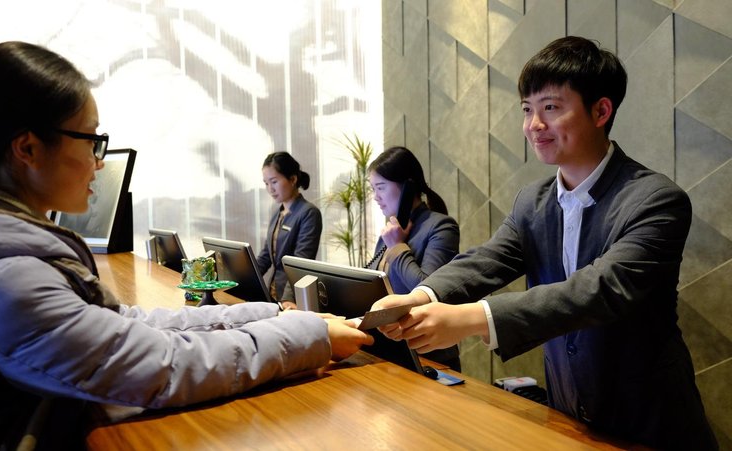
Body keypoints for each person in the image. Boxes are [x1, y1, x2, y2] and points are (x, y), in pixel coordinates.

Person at [0, 41, 372, 450]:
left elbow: (121, 325)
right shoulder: (9, 281)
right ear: (27, 148)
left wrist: (271, 314)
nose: (99, 161)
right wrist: (307, 336)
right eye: (91, 139)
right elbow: (164, 365)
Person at [373, 36, 717, 448]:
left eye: (551, 107)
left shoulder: (656, 200)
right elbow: (488, 260)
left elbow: (598, 291)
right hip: (569, 417)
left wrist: (471, 318)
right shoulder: (532, 202)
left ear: (601, 111)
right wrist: (420, 296)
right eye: (527, 109)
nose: (534, 125)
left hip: (651, 422)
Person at [366, 146, 461, 370]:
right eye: (373, 189)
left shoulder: (441, 227)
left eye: (381, 188)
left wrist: (398, 247)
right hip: (390, 351)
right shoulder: (392, 229)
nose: (376, 197)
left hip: (429, 355)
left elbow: (429, 289)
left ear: (408, 187)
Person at [256, 152, 323, 309]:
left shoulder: (308, 213)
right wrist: (241, 281)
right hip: (273, 294)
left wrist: (288, 298)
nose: (270, 189)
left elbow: (301, 261)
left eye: (274, 182)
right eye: (266, 183)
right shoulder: (278, 213)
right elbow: (266, 256)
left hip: (292, 299)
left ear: (292, 179)